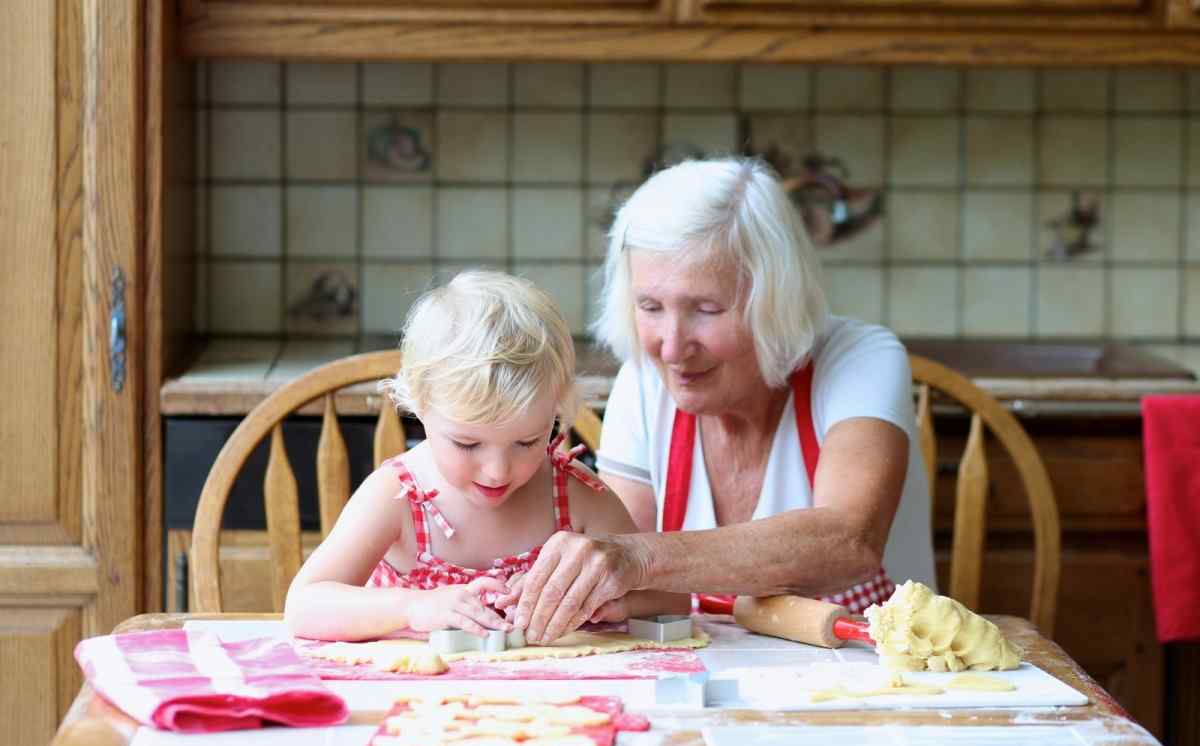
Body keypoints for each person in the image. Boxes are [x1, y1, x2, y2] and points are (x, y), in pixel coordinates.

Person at [509, 156, 935, 645]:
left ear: (777, 299)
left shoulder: (859, 360)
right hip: (706, 667)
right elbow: (621, 568)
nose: (671, 347)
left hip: (876, 680)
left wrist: (641, 558)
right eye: (650, 307)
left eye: (707, 309)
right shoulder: (645, 383)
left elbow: (848, 541)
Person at [285, 271, 680, 642]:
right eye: (467, 444)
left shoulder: (575, 494)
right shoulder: (398, 497)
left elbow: (672, 598)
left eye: (527, 442)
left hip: (543, 702)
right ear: (419, 406)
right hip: (417, 699)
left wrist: (605, 601)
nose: (497, 471)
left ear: (556, 412)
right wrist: (413, 607)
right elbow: (304, 606)